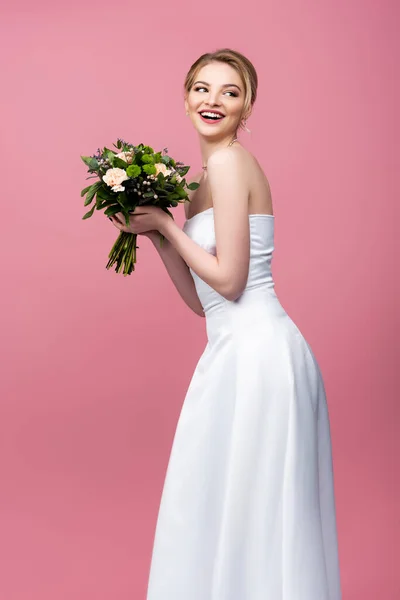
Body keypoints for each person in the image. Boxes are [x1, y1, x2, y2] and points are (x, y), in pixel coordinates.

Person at [109, 48, 342, 600]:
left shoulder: (232, 163)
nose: (213, 100)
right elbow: (204, 299)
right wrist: (157, 233)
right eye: (202, 88)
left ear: (247, 107)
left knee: (255, 509)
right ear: (186, 97)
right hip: (231, 350)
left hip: (260, 354)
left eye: (230, 92)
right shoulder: (197, 183)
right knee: (223, 503)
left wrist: (167, 223)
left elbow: (232, 281)